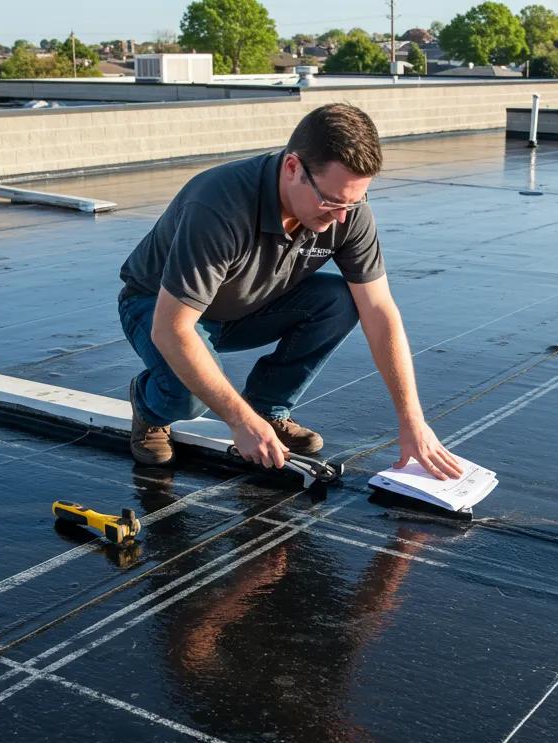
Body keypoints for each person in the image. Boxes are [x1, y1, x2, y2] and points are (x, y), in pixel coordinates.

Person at [118, 102, 461, 480]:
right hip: (158, 307)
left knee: (341, 300)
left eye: (354, 201)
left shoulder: (346, 210)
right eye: (331, 201)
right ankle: (150, 407)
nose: (341, 216)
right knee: (188, 396)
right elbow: (173, 329)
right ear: (293, 167)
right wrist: (240, 422)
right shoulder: (219, 204)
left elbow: (379, 310)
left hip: (246, 307)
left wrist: (412, 421)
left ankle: (269, 408)